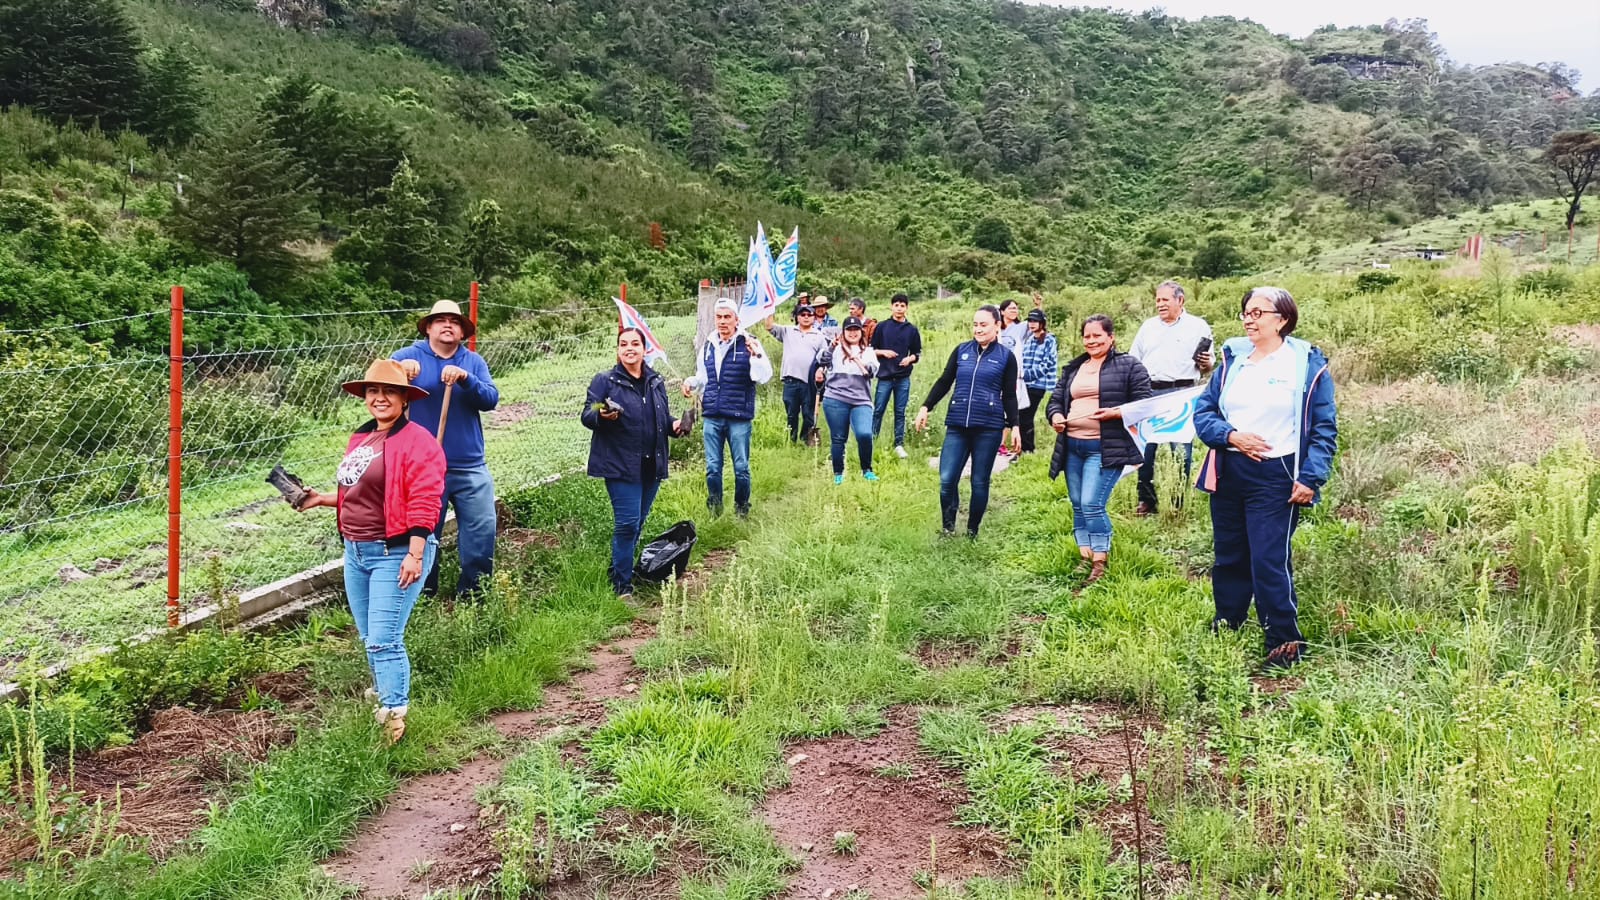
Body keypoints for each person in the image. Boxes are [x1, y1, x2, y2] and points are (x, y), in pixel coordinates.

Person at [297, 359, 446, 745]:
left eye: (389, 391)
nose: (380, 398)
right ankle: (383, 698)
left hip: (394, 550)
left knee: (384, 638)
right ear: (365, 397)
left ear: (404, 399)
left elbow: (425, 501)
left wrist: (415, 554)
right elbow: (361, 494)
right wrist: (322, 499)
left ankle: (394, 717)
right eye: (373, 392)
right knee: (370, 637)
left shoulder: (418, 441)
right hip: (357, 552)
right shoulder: (362, 438)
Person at [1193, 287, 1337, 670]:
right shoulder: (1233, 361)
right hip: (1228, 469)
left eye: (1258, 312)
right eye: (1246, 311)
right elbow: (1204, 412)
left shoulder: (1305, 366)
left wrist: (1311, 476)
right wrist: (1231, 436)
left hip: (1276, 474)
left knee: (1268, 558)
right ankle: (1229, 622)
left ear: (1283, 319)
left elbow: (1324, 429)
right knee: (1229, 554)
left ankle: (1283, 638)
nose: (1248, 318)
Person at [393, 300, 499, 600]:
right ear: (428, 327)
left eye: (454, 320)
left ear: (462, 331)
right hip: (421, 466)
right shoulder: (406, 358)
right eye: (440, 320)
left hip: (468, 465)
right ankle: (422, 595)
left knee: (481, 530)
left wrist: (467, 380)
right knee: (422, 532)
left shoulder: (473, 361)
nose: (448, 324)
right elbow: (381, 394)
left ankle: (475, 596)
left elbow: (491, 399)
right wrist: (400, 374)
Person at [582, 328, 687, 598]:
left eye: (635, 344)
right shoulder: (605, 381)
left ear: (644, 349)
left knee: (637, 522)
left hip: (651, 464)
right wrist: (602, 415)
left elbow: (660, 417)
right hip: (620, 465)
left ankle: (618, 570)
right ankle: (622, 588)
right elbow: (589, 412)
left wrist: (675, 425)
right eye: (624, 344)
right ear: (618, 350)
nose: (630, 348)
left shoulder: (655, 381)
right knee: (627, 524)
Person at [1046, 316, 1152, 584]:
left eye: (1097, 336)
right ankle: (1085, 554)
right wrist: (1056, 416)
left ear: (1111, 337)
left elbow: (1144, 403)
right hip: (1072, 445)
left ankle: (1100, 560)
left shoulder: (1129, 365)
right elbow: (1056, 400)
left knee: (1092, 504)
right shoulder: (1074, 368)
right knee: (1078, 504)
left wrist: (1116, 413)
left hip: (1105, 447)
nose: (1091, 341)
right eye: (1087, 336)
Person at [914, 305, 1020, 538]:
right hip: (957, 425)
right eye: (975, 324)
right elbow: (944, 382)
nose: (978, 329)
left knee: (979, 481)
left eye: (983, 324)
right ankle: (948, 527)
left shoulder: (1006, 357)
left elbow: (1010, 395)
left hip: (989, 427)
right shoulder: (962, 350)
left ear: (997, 325)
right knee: (946, 479)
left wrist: (1015, 426)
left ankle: (972, 531)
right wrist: (925, 407)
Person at [1128, 280, 1214, 516]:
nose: (1160, 304)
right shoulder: (1148, 327)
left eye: (1165, 299)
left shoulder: (1198, 326)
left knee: (1181, 450)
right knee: (1146, 448)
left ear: (1180, 300)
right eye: (1157, 300)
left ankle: (1178, 502)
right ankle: (1147, 501)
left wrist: (1207, 363)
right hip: (1150, 392)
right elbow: (1134, 360)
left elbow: (1208, 365)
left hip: (1182, 394)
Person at [684, 298, 772, 518]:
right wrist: (691, 383)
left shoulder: (749, 342)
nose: (722, 322)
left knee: (741, 467)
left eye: (727, 317)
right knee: (713, 467)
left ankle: (741, 508)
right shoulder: (708, 345)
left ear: (736, 320)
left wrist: (756, 355)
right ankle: (715, 510)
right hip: (712, 414)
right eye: (719, 317)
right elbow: (703, 377)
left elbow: (763, 376)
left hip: (739, 415)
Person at [817, 316, 881, 484]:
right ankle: (838, 473)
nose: (852, 333)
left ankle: (866, 470)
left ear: (861, 332)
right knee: (839, 438)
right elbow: (821, 360)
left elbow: (872, 371)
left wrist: (859, 361)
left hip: (861, 400)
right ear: (843, 332)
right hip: (835, 398)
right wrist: (831, 347)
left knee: (864, 434)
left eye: (856, 330)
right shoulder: (835, 349)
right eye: (849, 330)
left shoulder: (868, 352)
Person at [767, 304, 832, 443]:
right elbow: (769, 326)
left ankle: (805, 440)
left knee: (808, 414)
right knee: (791, 413)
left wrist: (821, 370)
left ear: (814, 317)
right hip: (790, 380)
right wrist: (770, 307)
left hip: (809, 382)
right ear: (797, 317)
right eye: (803, 315)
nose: (806, 317)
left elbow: (825, 358)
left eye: (809, 315)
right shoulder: (787, 331)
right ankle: (792, 440)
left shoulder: (819, 336)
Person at [871, 293, 922, 459]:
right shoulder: (882, 327)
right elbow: (871, 350)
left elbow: (917, 353)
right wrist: (883, 352)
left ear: (906, 308)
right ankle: (872, 440)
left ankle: (898, 444)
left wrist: (910, 359)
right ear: (891, 306)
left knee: (900, 411)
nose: (899, 308)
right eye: (896, 305)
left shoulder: (912, 330)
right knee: (878, 410)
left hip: (902, 377)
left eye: (902, 305)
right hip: (885, 376)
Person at [1019, 309, 1058, 454]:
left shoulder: (1049, 340)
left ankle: (1028, 449)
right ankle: (1024, 448)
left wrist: (1026, 375)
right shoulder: (1029, 339)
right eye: (1030, 321)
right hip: (1025, 384)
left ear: (1042, 323)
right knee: (1021, 415)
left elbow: (1047, 364)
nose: (1032, 324)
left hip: (1038, 384)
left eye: (1035, 321)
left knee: (1026, 415)